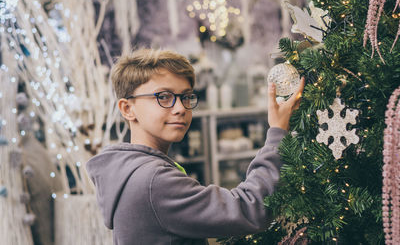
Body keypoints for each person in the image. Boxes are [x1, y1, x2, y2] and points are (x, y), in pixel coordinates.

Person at [86, 48, 305, 245]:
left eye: (186, 97)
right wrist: (277, 131)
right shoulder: (153, 181)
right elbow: (251, 209)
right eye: (163, 97)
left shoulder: (130, 171)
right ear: (127, 109)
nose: (180, 108)